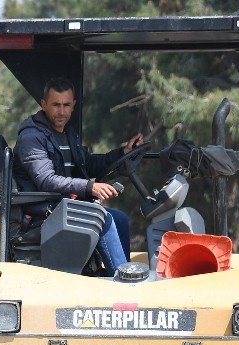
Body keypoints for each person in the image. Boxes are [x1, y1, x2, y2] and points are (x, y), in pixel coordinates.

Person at [13, 76, 144, 276]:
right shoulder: (31, 137)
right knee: (102, 218)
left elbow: (88, 164)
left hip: (62, 204)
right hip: (42, 211)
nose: (62, 111)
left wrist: (122, 153)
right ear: (44, 104)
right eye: (56, 105)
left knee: (120, 219)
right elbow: (46, 180)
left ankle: (121, 272)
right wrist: (89, 187)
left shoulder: (67, 134)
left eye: (66, 105)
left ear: (73, 105)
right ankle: (124, 282)